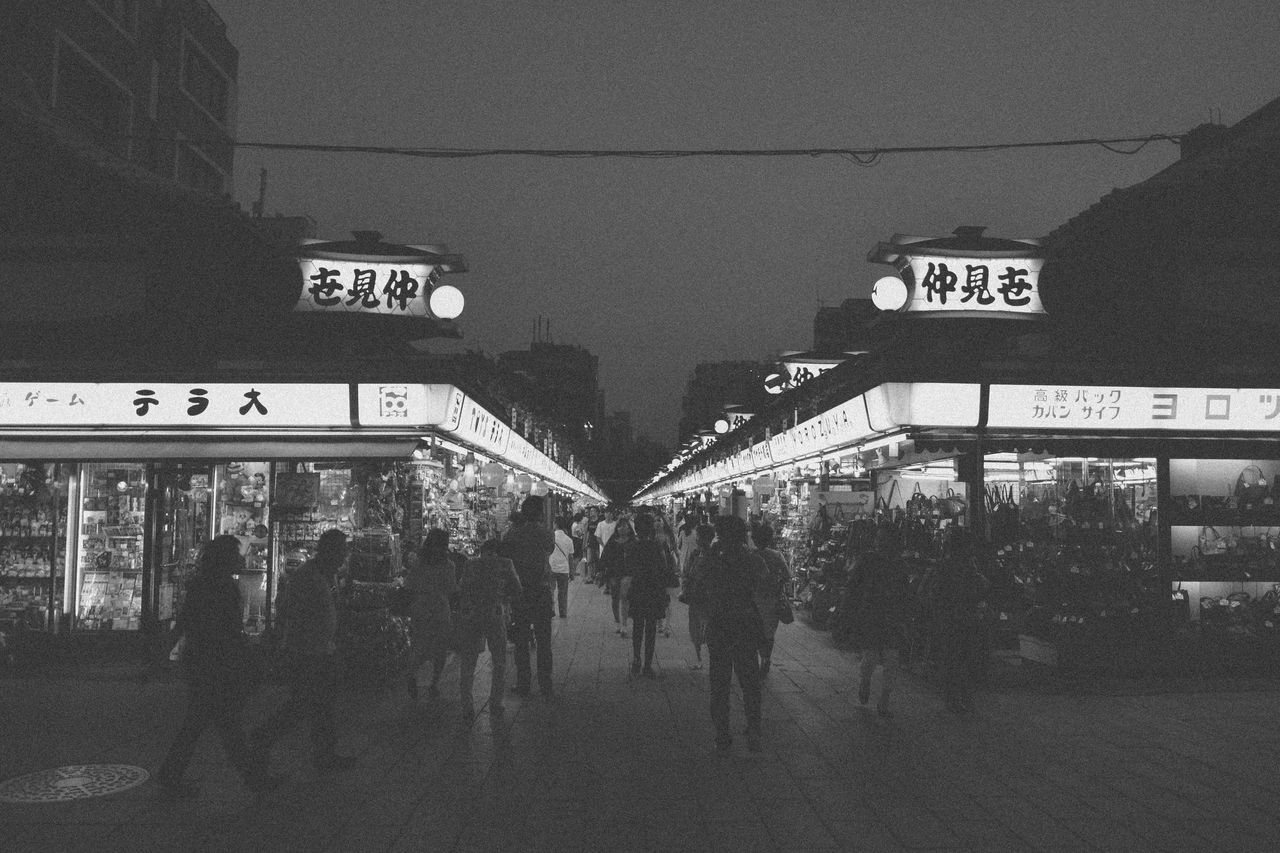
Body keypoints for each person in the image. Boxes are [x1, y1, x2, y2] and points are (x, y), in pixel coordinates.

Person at [155, 535, 281, 799]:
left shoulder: (205, 585)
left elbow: (185, 621)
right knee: (224, 724)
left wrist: (164, 655)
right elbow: (223, 630)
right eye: (236, 554)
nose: (240, 558)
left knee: (204, 723)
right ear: (225, 559)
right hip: (216, 664)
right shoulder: (222, 588)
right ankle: (254, 778)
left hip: (204, 663)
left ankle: (172, 774)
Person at [251, 529, 356, 775]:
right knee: (305, 704)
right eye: (341, 551)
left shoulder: (326, 575)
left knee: (320, 706)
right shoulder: (307, 577)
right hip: (307, 652)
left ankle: (324, 755)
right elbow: (292, 612)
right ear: (329, 551)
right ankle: (266, 736)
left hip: (321, 650)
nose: (344, 557)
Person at [695, 515, 767, 753]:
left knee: (720, 682)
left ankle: (722, 734)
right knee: (750, 681)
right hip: (746, 624)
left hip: (719, 625)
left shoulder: (710, 560)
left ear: (719, 534)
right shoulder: (752, 559)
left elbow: (695, 589)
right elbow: (765, 585)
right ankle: (754, 730)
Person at [456, 538, 523, 717]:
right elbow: (517, 589)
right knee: (499, 660)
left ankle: (467, 704)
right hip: (495, 613)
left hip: (472, 615)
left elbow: (461, 588)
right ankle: (495, 702)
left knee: (468, 661)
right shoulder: (506, 564)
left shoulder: (471, 565)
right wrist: (505, 598)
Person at [929, 528, 991, 714]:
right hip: (960, 617)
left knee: (955, 658)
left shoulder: (951, 565)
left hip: (954, 617)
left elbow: (935, 593)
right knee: (961, 658)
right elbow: (981, 587)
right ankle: (959, 697)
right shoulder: (961, 566)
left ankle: (957, 697)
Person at [846, 527, 906, 717]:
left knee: (887, 658)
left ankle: (882, 697)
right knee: (877, 656)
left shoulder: (890, 562)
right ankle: (870, 688)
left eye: (883, 539)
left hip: (882, 614)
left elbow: (853, 584)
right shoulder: (876, 560)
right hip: (878, 614)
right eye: (879, 539)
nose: (880, 543)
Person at [501, 495, 556, 697]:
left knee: (521, 640)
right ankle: (545, 683)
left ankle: (524, 682)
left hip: (520, 591)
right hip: (541, 591)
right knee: (543, 640)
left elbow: (505, 557)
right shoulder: (546, 534)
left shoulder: (512, 535)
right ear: (540, 513)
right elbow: (548, 550)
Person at [405, 528, 458, 699]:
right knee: (440, 649)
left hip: (420, 607)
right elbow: (451, 589)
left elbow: (409, 585)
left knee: (418, 645)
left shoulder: (418, 564)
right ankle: (434, 684)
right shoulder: (449, 565)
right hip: (440, 608)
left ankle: (411, 675)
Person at [625, 513, 675, 677]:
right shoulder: (657, 546)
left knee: (638, 626)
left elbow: (629, 568)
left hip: (638, 590)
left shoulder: (632, 546)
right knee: (651, 628)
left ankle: (636, 660)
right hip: (654, 591)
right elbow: (664, 569)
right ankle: (647, 665)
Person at [752, 525, 792, 678]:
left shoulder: (751, 555)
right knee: (769, 633)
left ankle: (757, 659)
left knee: (755, 631)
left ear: (754, 539)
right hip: (772, 600)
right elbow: (787, 576)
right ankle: (766, 659)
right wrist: (777, 584)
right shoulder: (776, 555)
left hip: (753, 599)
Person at [682, 523, 715, 669]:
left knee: (706, 626)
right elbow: (687, 572)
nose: (698, 539)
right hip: (696, 595)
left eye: (700, 537)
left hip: (707, 596)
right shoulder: (696, 554)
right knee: (696, 626)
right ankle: (699, 658)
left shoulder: (713, 555)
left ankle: (703, 658)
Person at [598, 519, 634, 637]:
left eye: (625, 526)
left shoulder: (633, 542)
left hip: (627, 572)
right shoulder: (612, 541)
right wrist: (602, 570)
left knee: (624, 596)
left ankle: (624, 624)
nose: (622, 528)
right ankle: (617, 621)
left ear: (629, 528)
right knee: (615, 597)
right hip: (613, 572)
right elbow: (605, 556)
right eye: (620, 526)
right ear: (617, 528)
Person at [550, 516, 575, 619]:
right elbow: (571, 557)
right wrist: (572, 572)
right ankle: (563, 612)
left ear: (555, 524)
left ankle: (551, 610)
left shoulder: (551, 537)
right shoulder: (569, 540)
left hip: (551, 567)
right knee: (563, 592)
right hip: (564, 569)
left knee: (550, 591)